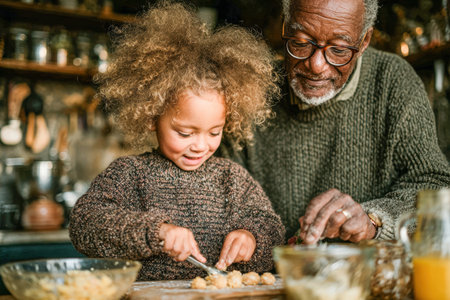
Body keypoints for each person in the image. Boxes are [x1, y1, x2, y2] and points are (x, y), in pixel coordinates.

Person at [69, 1, 284, 281]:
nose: (200, 145)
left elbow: (272, 229)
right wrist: (156, 232)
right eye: (185, 133)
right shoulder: (131, 174)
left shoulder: (233, 179)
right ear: (151, 116)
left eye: (214, 132)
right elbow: (85, 224)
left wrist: (252, 238)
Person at [218, 0, 450, 245]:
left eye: (338, 49)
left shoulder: (393, 81)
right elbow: (219, 192)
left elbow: (436, 187)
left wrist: (373, 221)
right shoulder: (250, 89)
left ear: (364, 42)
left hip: (366, 277)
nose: (316, 66)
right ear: (285, 27)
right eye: (300, 42)